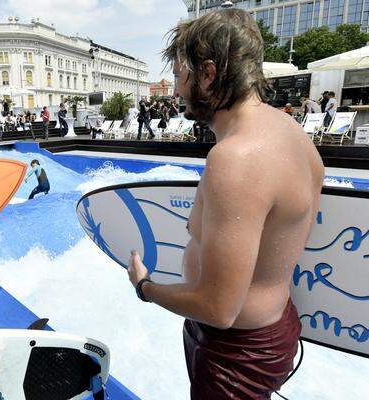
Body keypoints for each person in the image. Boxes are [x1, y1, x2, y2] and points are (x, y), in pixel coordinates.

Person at [127, 9, 324, 400]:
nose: (176, 89)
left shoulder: (236, 159)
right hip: (272, 330)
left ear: (208, 73)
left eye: (181, 74)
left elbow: (218, 308)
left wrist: (145, 287)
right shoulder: (293, 133)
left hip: (236, 352)